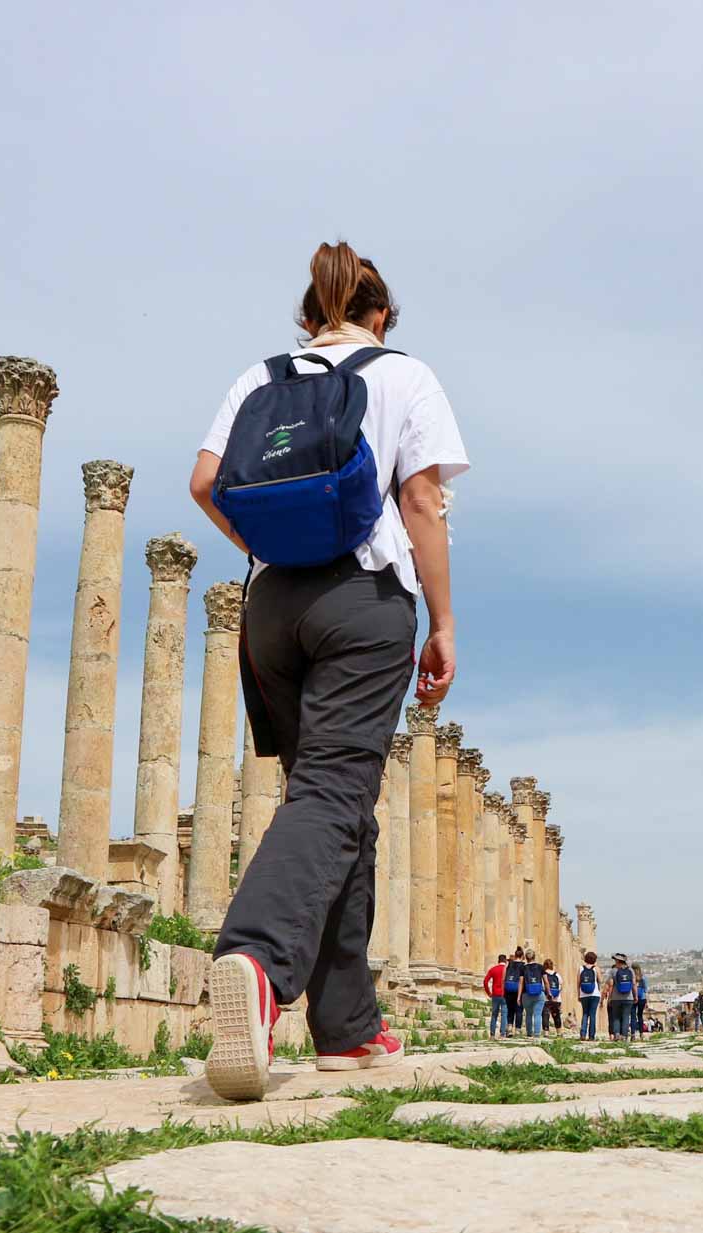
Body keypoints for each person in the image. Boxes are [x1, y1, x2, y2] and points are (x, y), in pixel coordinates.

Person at [195, 241, 470, 1101]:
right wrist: (444, 619)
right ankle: (258, 960)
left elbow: (205, 482)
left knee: (337, 800)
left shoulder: (261, 376)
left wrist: (270, 546)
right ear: (380, 315)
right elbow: (421, 502)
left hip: (272, 607)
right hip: (362, 604)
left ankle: (347, 1027)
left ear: (310, 319)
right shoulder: (403, 374)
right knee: (333, 794)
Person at [606, 953, 635, 1040]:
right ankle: (624, 1036)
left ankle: (617, 1034)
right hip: (628, 998)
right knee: (626, 1017)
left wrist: (609, 997)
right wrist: (635, 996)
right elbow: (633, 984)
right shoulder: (631, 970)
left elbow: (611, 984)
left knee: (616, 1017)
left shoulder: (613, 971)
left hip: (616, 998)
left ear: (618, 961)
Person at [520, 951, 547, 1038]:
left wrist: (518, 996)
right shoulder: (540, 967)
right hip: (539, 993)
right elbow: (546, 982)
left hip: (526, 993)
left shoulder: (523, 968)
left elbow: (520, 983)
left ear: (526, 958)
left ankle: (529, 1032)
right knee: (538, 1014)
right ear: (534, 957)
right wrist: (548, 992)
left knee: (528, 1014)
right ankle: (537, 1034)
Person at [577, 950, 601, 1040]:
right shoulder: (596, 969)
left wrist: (578, 994)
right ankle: (591, 1036)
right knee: (593, 1015)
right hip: (594, 994)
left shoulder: (581, 968)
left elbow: (578, 983)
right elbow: (600, 980)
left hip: (583, 994)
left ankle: (583, 1034)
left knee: (585, 1014)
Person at [483, 953, 508, 1038]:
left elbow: (485, 981)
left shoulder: (493, 969)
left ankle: (492, 1034)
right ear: (505, 960)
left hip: (495, 994)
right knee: (504, 1014)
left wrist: (488, 992)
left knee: (494, 1014)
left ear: (498, 960)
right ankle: (502, 1034)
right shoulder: (507, 970)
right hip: (505, 994)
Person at [503, 946, 526, 1035]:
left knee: (510, 1010)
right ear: (522, 956)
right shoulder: (523, 966)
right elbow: (522, 981)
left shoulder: (509, 964)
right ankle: (517, 1030)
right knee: (519, 1010)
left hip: (508, 990)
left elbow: (504, 977)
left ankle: (509, 1028)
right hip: (519, 991)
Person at [542, 959, 562, 1032]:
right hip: (557, 999)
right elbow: (560, 986)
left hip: (546, 998)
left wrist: (548, 994)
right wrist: (555, 995)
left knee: (545, 1015)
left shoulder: (543, 974)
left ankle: (546, 1032)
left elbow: (543, 986)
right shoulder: (557, 975)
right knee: (556, 1016)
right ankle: (559, 1032)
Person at [634, 965, 649, 1036]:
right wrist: (647, 1001)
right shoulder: (644, 977)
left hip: (633, 998)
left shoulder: (632, 977)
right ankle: (641, 1032)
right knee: (640, 1015)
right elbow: (646, 990)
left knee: (633, 1015)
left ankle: (633, 1033)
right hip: (642, 998)